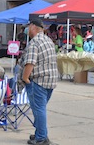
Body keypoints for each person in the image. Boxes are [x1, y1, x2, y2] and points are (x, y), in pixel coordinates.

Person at [21, 17, 58, 145]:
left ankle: (41, 137)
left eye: (28, 26)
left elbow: (30, 62)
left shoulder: (34, 42)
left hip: (39, 80)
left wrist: (25, 78)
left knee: (39, 109)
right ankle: (39, 133)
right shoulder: (48, 40)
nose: (27, 29)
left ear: (33, 27)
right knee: (40, 108)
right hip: (51, 80)